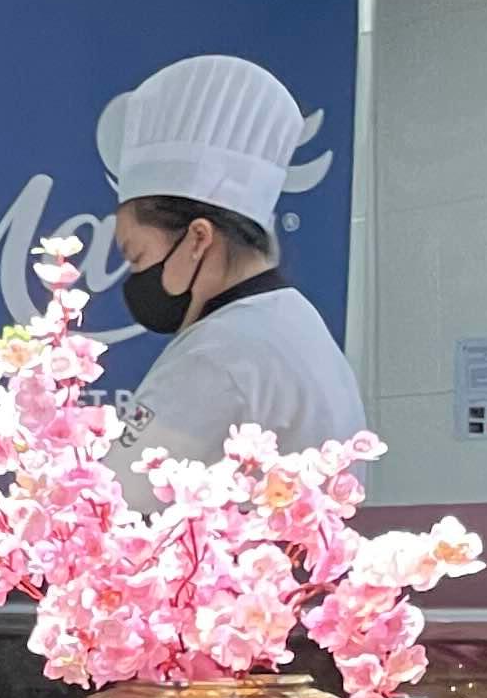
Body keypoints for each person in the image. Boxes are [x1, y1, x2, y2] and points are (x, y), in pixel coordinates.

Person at [103, 51, 367, 509]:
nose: (135, 276)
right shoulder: (294, 321)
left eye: (137, 254)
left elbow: (114, 504)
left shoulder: (220, 354)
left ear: (197, 239)